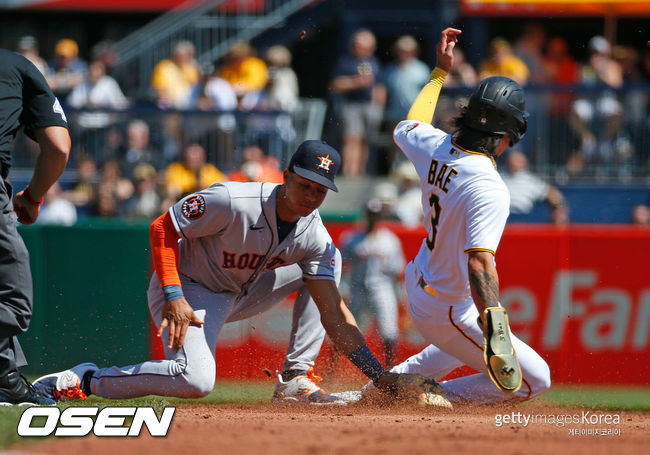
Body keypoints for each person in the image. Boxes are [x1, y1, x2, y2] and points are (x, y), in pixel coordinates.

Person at [33, 141, 443, 406]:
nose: (311, 196)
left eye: (320, 190)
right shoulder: (232, 199)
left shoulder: (315, 236)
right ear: (286, 176)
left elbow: (334, 316)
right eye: (305, 184)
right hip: (189, 289)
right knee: (195, 381)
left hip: (242, 290)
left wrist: (381, 377)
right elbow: (163, 227)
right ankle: (87, 379)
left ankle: (295, 381)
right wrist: (174, 296)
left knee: (324, 278)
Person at [361, 28, 551, 405]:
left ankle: (374, 394)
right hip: (447, 303)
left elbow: (408, 124)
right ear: (507, 133)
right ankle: (428, 396)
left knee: (442, 353)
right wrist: (495, 324)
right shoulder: (489, 185)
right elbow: (480, 263)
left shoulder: (433, 145)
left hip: (423, 282)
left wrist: (439, 73)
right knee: (535, 380)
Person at [0, 49, 71, 405]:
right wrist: (34, 196)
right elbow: (58, 147)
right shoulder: (16, 66)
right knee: (12, 295)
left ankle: (5, 379)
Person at [341, 199, 405, 365]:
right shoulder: (352, 238)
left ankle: (390, 370)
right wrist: (343, 288)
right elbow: (344, 267)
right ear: (366, 215)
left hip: (382, 288)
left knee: (388, 331)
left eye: (376, 215)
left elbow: (397, 271)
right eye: (371, 215)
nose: (373, 219)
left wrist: (400, 294)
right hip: (357, 289)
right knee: (346, 329)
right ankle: (331, 371)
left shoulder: (390, 240)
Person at [329, 29, 385, 176]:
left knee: (365, 140)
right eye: (358, 45)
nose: (361, 49)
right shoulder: (346, 62)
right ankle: (349, 172)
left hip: (371, 106)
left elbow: (380, 85)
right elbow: (335, 84)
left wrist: (380, 105)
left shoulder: (374, 62)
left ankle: (361, 171)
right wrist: (356, 82)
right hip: (351, 105)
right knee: (351, 138)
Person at [500, 150, 566, 224]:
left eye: (518, 160)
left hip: (523, 220)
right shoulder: (499, 177)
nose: (514, 162)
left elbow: (552, 194)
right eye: (513, 159)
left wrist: (559, 208)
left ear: (524, 162)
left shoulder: (530, 180)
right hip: (501, 217)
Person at [151, 41, 202, 109]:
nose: (190, 57)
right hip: (170, 105)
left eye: (191, 55)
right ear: (178, 55)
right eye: (187, 54)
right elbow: (160, 89)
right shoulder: (165, 66)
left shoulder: (191, 68)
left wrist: (198, 69)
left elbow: (197, 87)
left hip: (189, 105)